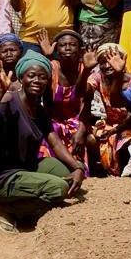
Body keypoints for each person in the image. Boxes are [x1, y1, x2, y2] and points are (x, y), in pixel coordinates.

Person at [0, 50, 86, 233]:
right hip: (1, 179)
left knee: (64, 172)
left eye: (42, 77)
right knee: (58, 188)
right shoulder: (8, 101)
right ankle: (4, 207)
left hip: (25, 167)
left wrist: (78, 167)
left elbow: (56, 143)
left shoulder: (39, 110)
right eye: (31, 76)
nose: (37, 80)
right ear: (22, 78)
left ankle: (21, 203)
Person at [84, 44, 131, 176]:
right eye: (103, 62)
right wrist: (86, 70)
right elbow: (84, 92)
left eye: (112, 60)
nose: (108, 65)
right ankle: (100, 170)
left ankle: (122, 171)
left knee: (127, 141)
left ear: (123, 60)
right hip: (109, 126)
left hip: (130, 126)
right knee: (90, 139)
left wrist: (114, 130)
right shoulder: (99, 78)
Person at [37, 30, 91, 162]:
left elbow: (85, 103)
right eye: (62, 45)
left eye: (72, 44)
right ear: (57, 49)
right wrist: (48, 58)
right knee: (52, 131)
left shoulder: (86, 67)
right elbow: (46, 99)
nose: (67, 48)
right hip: (53, 119)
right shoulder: (51, 67)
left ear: (79, 50)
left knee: (85, 138)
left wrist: (81, 131)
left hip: (79, 120)